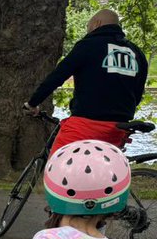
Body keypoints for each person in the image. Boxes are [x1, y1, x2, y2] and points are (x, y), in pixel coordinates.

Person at [25, 9, 149, 151]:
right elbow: (138, 93)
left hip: (85, 125)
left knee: (57, 167)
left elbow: (57, 77)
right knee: (105, 168)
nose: (87, 31)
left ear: (97, 23)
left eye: (88, 27)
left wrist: (33, 103)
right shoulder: (137, 53)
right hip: (119, 126)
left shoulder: (88, 45)